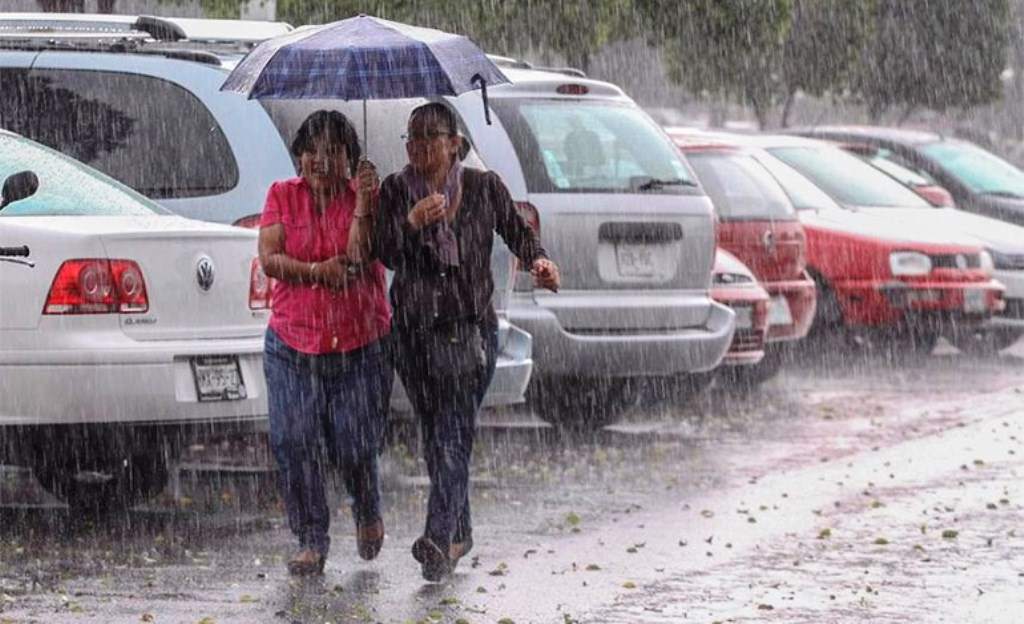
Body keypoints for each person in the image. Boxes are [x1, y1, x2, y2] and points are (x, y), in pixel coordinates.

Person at [348, 102, 561, 581]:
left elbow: (518, 234)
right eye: (412, 139)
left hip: (469, 330)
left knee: (451, 433)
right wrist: (412, 222)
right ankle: (461, 532)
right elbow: (382, 254)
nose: (419, 147)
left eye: (429, 137)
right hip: (414, 335)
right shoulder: (397, 189)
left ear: (454, 144)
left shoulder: (484, 188)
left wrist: (541, 262)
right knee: (439, 435)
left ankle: (438, 537)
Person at [259, 110, 393, 576]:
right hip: (292, 343)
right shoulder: (281, 195)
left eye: (334, 150)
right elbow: (270, 260)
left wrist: (363, 205)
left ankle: (367, 507)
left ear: (350, 159)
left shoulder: (366, 198)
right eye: (312, 149)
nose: (321, 159)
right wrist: (316, 273)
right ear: (299, 156)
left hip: (359, 342)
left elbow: (359, 256)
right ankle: (311, 538)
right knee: (294, 441)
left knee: (354, 444)